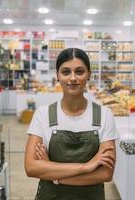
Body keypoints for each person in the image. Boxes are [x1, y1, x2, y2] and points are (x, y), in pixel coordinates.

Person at [25, 48, 118, 200]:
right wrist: (85, 167)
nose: (72, 78)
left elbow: (105, 173)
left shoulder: (104, 115)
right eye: (66, 72)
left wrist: (54, 175)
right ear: (57, 76)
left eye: (79, 72)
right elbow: (31, 167)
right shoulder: (43, 115)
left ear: (89, 74)